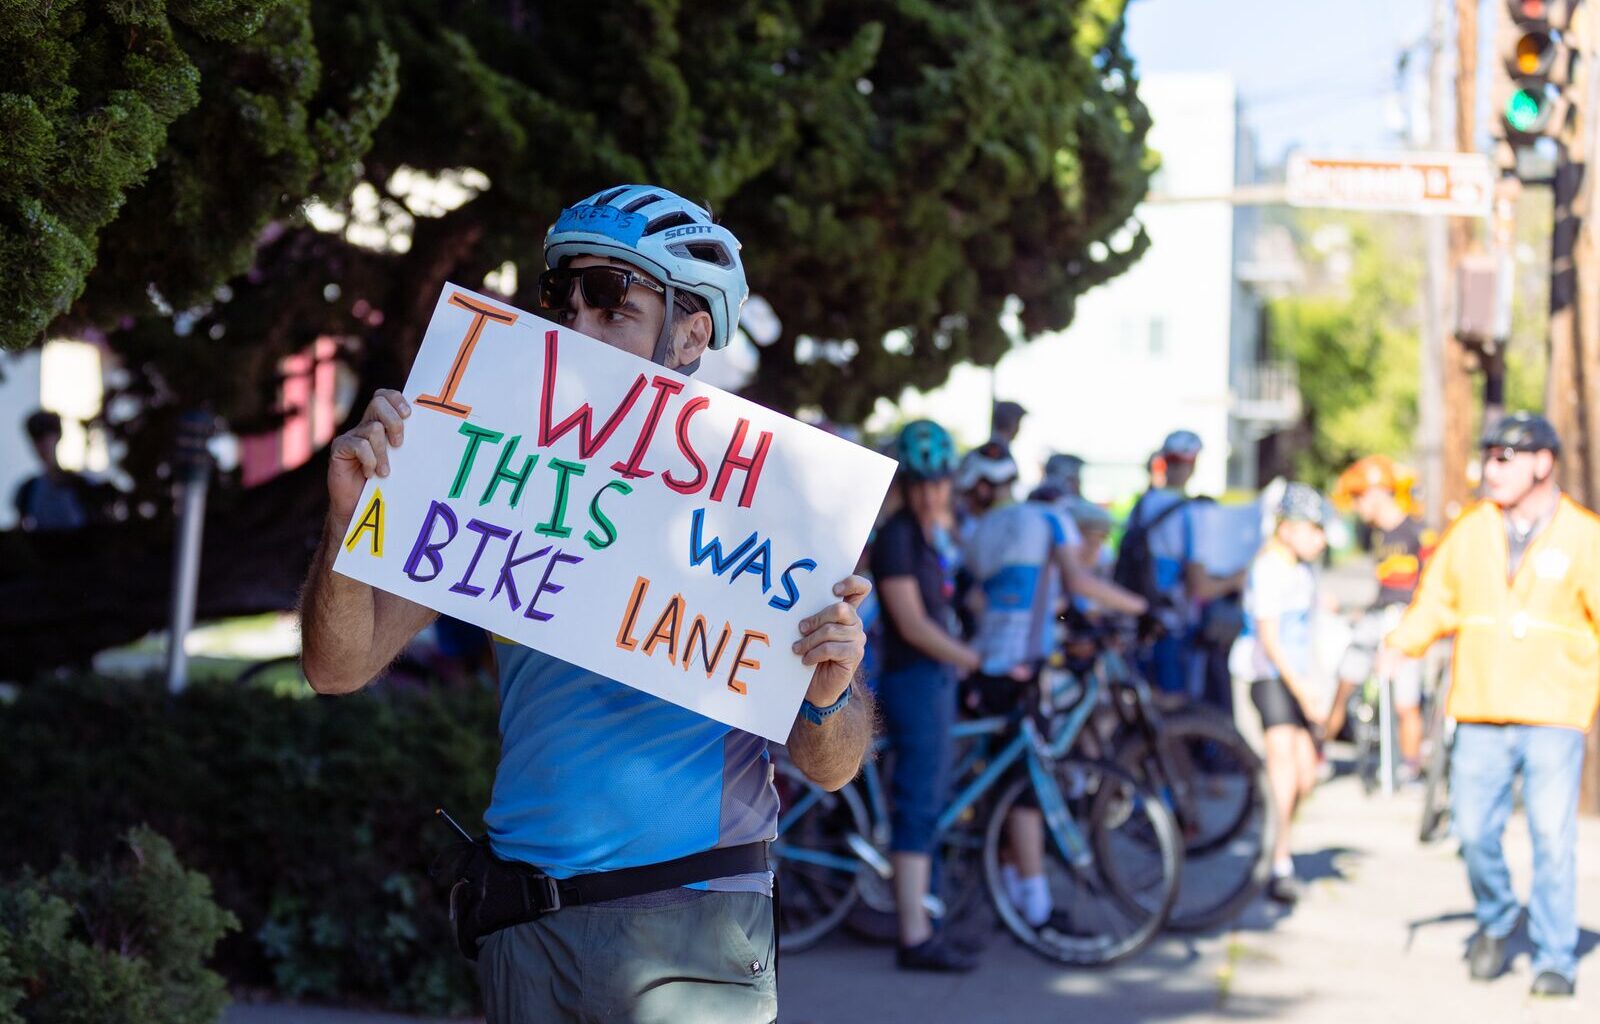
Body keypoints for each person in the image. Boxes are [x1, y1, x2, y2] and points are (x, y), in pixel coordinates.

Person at [300, 185, 874, 1023]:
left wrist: (827, 693)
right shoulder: (494, 457)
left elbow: (834, 763)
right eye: (560, 302)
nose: (577, 331)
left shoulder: (773, 505)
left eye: (613, 306)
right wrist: (350, 524)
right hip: (522, 928)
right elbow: (336, 666)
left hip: (690, 928)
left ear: (690, 332)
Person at [1381, 412, 1600, 998]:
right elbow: (1436, 602)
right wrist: (1401, 645)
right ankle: (1499, 917)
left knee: (1553, 840)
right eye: (1489, 455)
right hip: (1480, 706)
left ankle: (1554, 956)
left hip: (1555, 713)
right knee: (1475, 833)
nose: (1492, 468)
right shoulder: (1473, 531)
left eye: (1506, 456)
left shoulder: (1583, 535)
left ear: (1542, 463)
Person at [962, 479, 1145, 929]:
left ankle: (1011, 889)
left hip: (989, 666)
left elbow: (976, 596)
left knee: (1006, 785)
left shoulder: (990, 527)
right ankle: (1036, 908)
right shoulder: (1050, 521)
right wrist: (1144, 608)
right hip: (1020, 672)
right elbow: (1077, 581)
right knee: (1026, 792)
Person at [869, 419, 982, 972]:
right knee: (916, 806)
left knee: (930, 803)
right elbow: (912, 623)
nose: (934, 493)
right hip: (914, 680)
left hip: (933, 681)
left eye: (941, 483)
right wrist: (974, 659)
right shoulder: (895, 537)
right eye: (923, 484)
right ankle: (914, 937)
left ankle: (928, 919)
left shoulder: (929, 533)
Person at [1231, 482, 1328, 905]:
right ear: (1288, 529)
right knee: (1284, 767)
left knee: (1305, 773)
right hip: (1268, 676)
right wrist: (1302, 690)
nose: (1320, 539)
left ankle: (1275, 838)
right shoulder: (1270, 567)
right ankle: (1279, 860)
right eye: (1313, 529)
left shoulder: (1301, 571)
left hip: (1295, 678)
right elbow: (1270, 639)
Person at [1327, 455, 1434, 776]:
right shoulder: (1376, 535)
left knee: (1406, 699)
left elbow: (1431, 582)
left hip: (1405, 619)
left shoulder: (1417, 531)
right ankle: (1321, 750)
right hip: (1377, 616)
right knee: (1346, 677)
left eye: (1360, 498)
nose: (1358, 507)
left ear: (1376, 493)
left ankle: (1410, 766)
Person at [1118, 430, 1244, 696]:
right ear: (1194, 464)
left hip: (1139, 623)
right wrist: (1235, 580)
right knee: (1176, 710)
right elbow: (1199, 586)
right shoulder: (1193, 513)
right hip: (1174, 627)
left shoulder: (1142, 505)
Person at [13, 410, 109, 532]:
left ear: (58, 437)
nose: (42, 445)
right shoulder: (28, 490)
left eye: (46, 437)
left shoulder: (81, 484)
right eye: (37, 439)